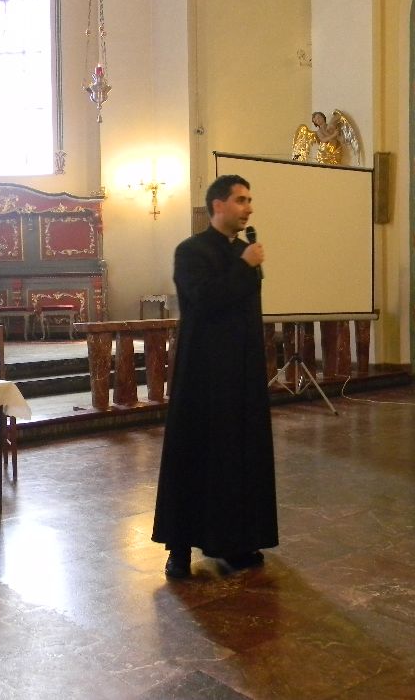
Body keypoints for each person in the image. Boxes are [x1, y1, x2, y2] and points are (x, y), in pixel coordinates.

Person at [152, 174, 279, 579]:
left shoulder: (244, 251)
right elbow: (205, 300)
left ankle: (237, 542)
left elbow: (246, 310)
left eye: (250, 199)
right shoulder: (191, 251)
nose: (248, 208)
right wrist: (244, 267)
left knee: (237, 456)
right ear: (218, 205)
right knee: (194, 454)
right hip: (203, 374)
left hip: (241, 373)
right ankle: (179, 547)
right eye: (241, 200)